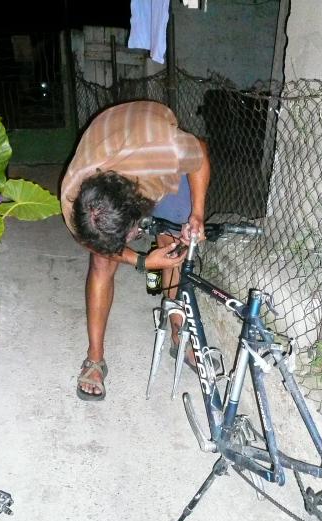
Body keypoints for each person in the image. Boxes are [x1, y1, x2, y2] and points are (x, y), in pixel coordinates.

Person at [60, 100, 210, 401]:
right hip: (108, 138)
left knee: (175, 242)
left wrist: (197, 214)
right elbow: (95, 242)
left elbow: (201, 153)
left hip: (150, 131)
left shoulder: (164, 153)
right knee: (102, 262)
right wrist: (141, 260)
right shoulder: (73, 194)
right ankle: (94, 359)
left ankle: (178, 332)